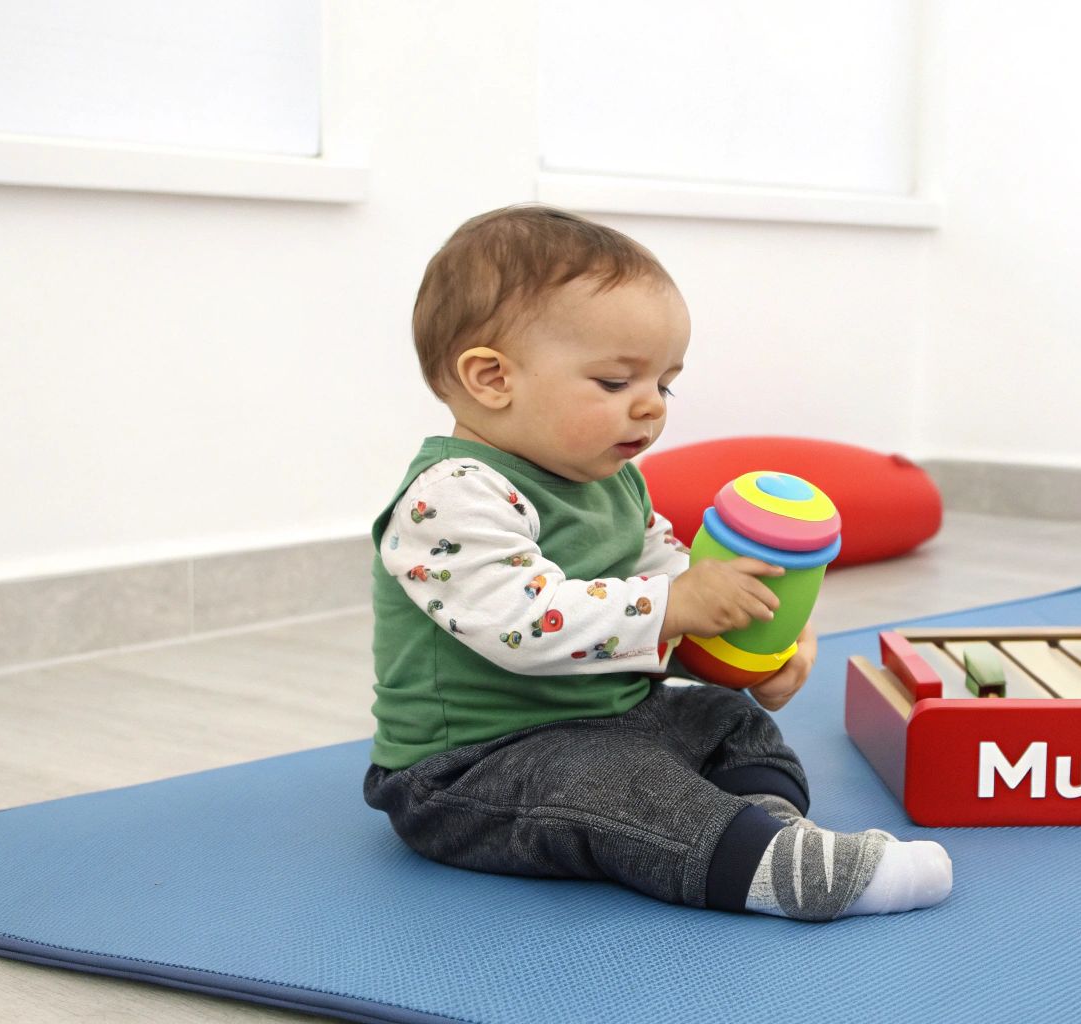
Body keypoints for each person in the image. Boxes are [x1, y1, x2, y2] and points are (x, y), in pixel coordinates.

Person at [362, 205, 952, 921]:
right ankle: (781, 873)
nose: (651, 410)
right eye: (616, 384)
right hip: (471, 767)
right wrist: (677, 605)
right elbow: (527, 624)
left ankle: (764, 822)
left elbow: (667, 570)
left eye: (664, 385)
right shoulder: (451, 499)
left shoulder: (613, 481)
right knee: (613, 785)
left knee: (723, 718)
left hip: (610, 716)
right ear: (492, 378)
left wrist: (743, 644)